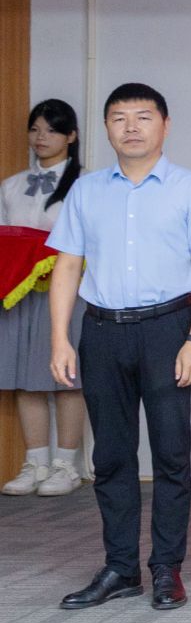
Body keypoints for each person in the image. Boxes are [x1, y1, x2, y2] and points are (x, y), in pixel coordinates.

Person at [47, 83, 191, 610]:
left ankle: (167, 568)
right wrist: (60, 338)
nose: (131, 127)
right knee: (112, 456)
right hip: (101, 332)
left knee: (171, 454)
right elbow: (67, 266)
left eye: (143, 116)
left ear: (164, 125)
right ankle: (120, 567)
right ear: (106, 128)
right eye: (119, 117)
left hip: (168, 329)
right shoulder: (86, 191)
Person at [2, 99, 87, 497]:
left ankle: (66, 465)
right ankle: (34, 462)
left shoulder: (86, 184)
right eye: (35, 129)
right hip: (20, 291)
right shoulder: (11, 186)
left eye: (52, 130)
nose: (41, 137)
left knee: (67, 378)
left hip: (68, 291)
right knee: (26, 378)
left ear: (71, 136)